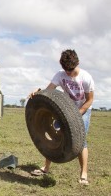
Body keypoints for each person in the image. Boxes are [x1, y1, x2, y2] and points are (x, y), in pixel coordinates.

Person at [30, 49, 94, 185]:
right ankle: (46, 168)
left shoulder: (86, 78)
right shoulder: (60, 75)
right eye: (65, 70)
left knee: (81, 141)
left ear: (77, 63)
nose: (68, 73)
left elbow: (89, 100)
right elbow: (49, 91)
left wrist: (77, 114)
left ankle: (84, 174)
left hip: (82, 110)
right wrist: (39, 91)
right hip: (65, 110)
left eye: (70, 70)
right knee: (53, 135)